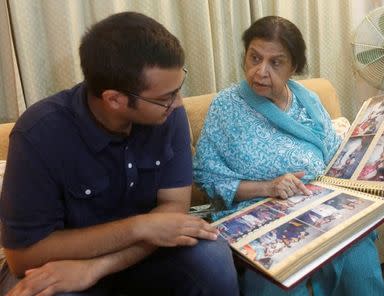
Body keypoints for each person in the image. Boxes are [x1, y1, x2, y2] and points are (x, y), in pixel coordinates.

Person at [0, 12, 239, 296]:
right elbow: (22, 257)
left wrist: (98, 267)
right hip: (68, 266)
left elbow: (173, 212)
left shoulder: (167, 115)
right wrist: (139, 226)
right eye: (165, 98)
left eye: (177, 90)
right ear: (114, 99)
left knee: (212, 256)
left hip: (144, 255)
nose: (177, 104)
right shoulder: (38, 134)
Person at [193, 16, 384, 296]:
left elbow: (335, 156)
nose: (260, 71)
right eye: (254, 58)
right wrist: (268, 187)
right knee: (278, 282)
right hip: (260, 212)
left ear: (293, 67)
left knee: (358, 254)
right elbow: (207, 176)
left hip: (322, 203)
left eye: (275, 62)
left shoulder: (307, 100)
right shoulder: (226, 106)